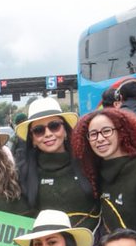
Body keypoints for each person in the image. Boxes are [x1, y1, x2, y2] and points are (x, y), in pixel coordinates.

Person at [71, 107, 136, 246]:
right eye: (93, 134)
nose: (100, 139)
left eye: (106, 131)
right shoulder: (95, 172)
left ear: (121, 132)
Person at [14, 98, 97, 230]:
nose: (48, 134)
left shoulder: (89, 160)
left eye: (54, 126)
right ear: (32, 139)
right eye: (39, 130)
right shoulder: (21, 172)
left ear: (65, 130)